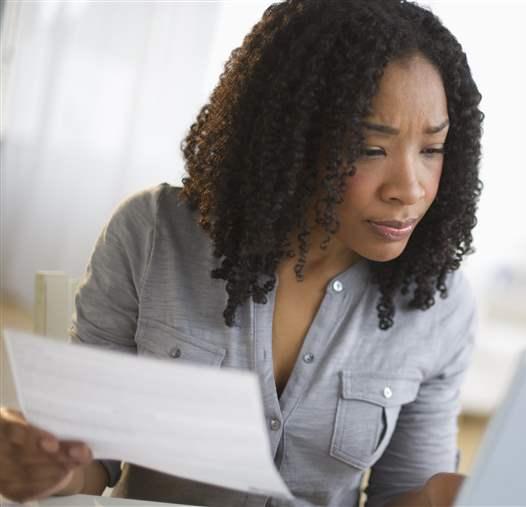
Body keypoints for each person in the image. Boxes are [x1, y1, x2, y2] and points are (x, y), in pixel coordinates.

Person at [0, 0, 483, 505]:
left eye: (432, 149)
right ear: (291, 134)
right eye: (369, 148)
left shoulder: (440, 307)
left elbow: (397, 495)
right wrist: (44, 466)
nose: (409, 188)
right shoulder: (152, 235)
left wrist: (435, 499)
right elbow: (90, 461)